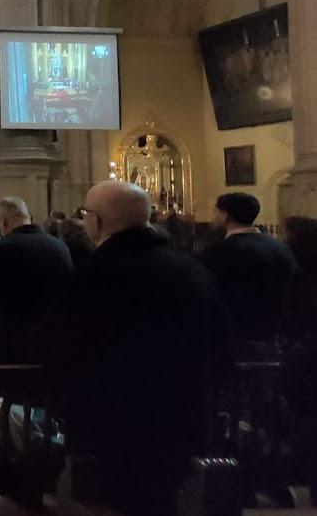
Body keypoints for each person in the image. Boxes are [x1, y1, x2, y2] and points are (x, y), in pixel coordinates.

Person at [54, 181, 230, 516]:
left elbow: (64, 348)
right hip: (185, 414)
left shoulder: (92, 276)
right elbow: (221, 344)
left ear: (97, 221)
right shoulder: (192, 270)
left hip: (113, 423)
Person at [0, 197, 72, 364]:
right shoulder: (59, 246)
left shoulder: (2, 248)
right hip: (55, 334)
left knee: (13, 380)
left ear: (4, 222)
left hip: (15, 336)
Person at [200, 192, 296, 343]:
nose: (212, 216)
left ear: (225, 216)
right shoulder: (280, 247)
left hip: (234, 332)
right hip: (272, 329)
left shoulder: (218, 251)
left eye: (215, 211)